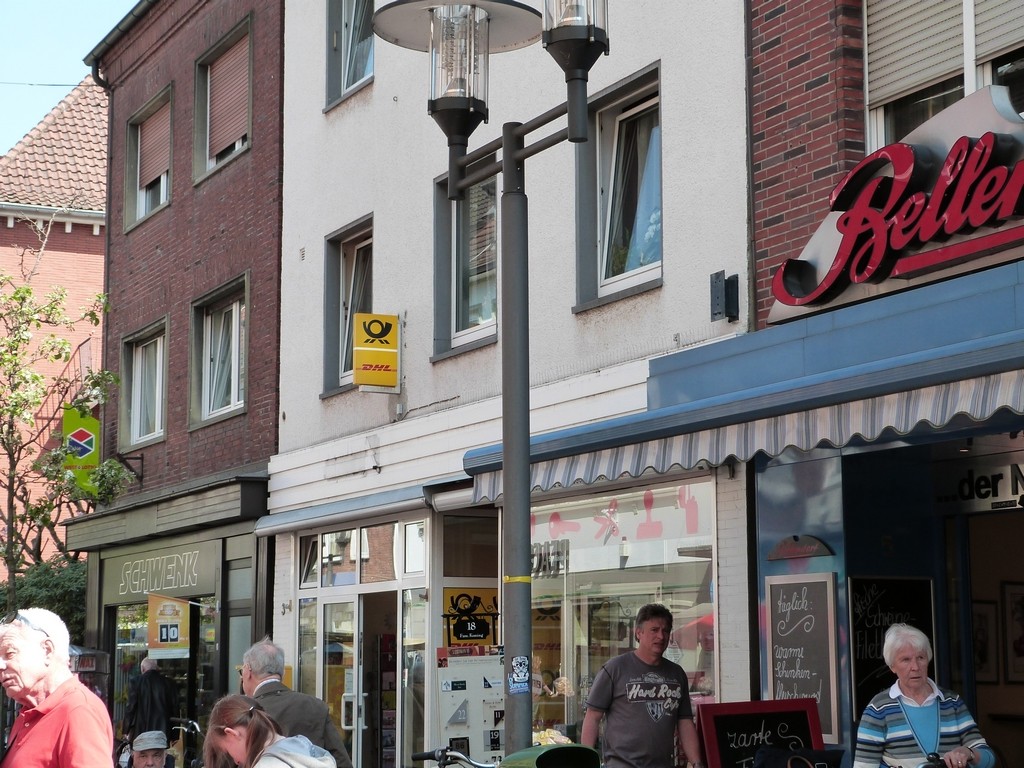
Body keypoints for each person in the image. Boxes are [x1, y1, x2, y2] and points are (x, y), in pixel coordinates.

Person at [853, 623, 996, 768]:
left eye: (920, 657)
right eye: (906, 660)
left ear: (928, 659)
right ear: (892, 667)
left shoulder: (952, 702)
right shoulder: (878, 709)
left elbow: (988, 758)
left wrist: (968, 752)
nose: (915, 667)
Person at [581, 603, 705, 768]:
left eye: (666, 630)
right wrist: (585, 762)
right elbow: (592, 717)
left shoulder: (677, 674)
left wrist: (696, 763)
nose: (661, 636)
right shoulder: (615, 669)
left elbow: (685, 722)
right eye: (654, 630)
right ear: (638, 633)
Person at [0, 608, 114, 767]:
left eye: (10, 653)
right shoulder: (30, 711)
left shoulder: (78, 711)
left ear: (47, 650)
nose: (1, 665)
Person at [241, 637, 353, 768]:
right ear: (281, 672)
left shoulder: (246, 713)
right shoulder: (316, 706)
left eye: (241, 672)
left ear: (248, 671)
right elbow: (341, 760)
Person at [204, 694, 336, 768]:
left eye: (227, 751)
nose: (235, 761)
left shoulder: (267, 765)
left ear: (231, 734)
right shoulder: (302, 746)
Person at [124, 655, 180, 742]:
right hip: (163, 732)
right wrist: (175, 735)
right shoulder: (169, 683)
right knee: (159, 754)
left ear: (142, 669)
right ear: (157, 668)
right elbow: (175, 709)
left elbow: (130, 708)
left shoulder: (136, 682)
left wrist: (126, 729)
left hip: (141, 731)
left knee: (142, 754)